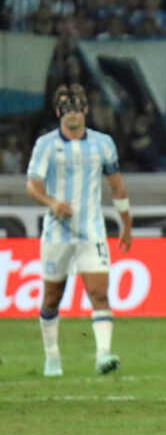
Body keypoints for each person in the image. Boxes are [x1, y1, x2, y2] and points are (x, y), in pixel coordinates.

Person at [25, 83, 132, 377]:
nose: (72, 113)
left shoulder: (103, 143)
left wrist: (126, 223)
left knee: (99, 294)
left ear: (85, 109)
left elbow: (116, 185)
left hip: (91, 232)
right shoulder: (46, 145)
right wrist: (52, 203)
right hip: (56, 234)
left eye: (76, 108)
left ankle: (103, 355)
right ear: (59, 112)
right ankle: (52, 359)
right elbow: (32, 184)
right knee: (52, 298)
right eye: (66, 108)